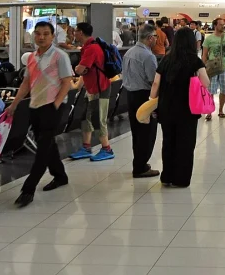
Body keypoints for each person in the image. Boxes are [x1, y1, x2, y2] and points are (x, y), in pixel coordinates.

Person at [9, 21, 73, 208]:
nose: (41, 37)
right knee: (47, 143)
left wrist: (56, 105)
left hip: (52, 106)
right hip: (35, 104)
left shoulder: (60, 56)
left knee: (43, 149)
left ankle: (28, 189)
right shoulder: (31, 57)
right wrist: (14, 104)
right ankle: (60, 176)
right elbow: (26, 83)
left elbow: (67, 82)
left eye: (46, 34)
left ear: (53, 36)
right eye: (38, 34)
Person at [149, 27, 208, 188]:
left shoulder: (167, 60)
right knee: (186, 144)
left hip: (167, 108)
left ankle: (167, 176)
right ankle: (181, 179)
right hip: (188, 109)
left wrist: (151, 101)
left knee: (168, 142)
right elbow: (206, 82)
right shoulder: (195, 61)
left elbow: (155, 83)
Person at [66, 23, 114, 162]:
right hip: (91, 89)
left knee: (99, 119)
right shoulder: (87, 47)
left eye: (75, 31)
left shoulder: (92, 48)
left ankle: (107, 149)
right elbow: (84, 70)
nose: (74, 33)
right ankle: (86, 147)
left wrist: (79, 68)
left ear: (80, 32)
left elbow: (80, 70)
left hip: (100, 89)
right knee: (86, 118)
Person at [122, 25, 161, 177]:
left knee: (137, 132)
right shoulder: (148, 56)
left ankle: (139, 162)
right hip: (145, 96)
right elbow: (154, 81)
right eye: (155, 37)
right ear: (150, 38)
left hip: (130, 95)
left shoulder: (129, 53)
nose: (156, 39)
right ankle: (140, 166)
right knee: (147, 132)